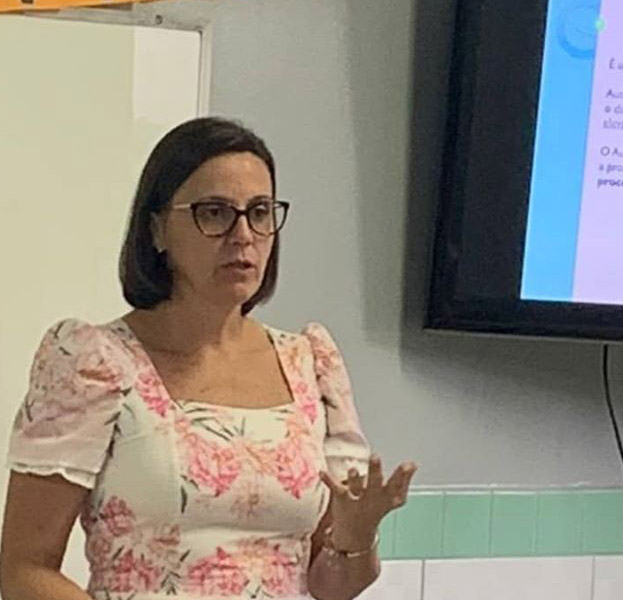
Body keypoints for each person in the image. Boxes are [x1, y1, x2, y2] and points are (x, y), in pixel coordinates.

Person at [0, 117, 417, 600]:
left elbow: (331, 585)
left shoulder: (309, 362)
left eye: (259, 212)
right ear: (157, 229)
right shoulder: (93, 361)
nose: (243, 235)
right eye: (214, 213)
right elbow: (22, 570)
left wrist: (357, 538)